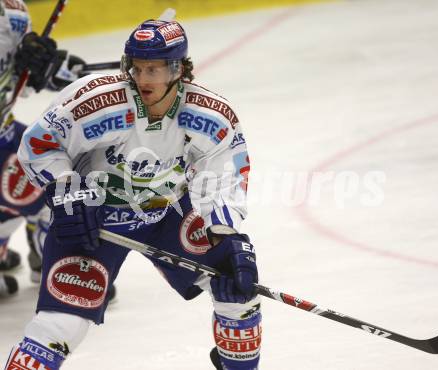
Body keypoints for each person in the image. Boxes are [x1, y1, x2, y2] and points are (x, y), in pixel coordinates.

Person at [7, 18, 261, 370]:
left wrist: (226, 235)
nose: (143, 79)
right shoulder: (96, 101)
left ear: (180, 71)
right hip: (91, 219)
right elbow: (38, 145)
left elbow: (222, 177)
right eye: (137, 68)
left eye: (154, 70)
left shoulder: (211, 115)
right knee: (61, 326)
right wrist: (66, 191)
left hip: (165, 211)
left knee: (237, 292)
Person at [0, 0, 100, 297]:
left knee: (52, 177)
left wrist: (46, 65)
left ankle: (52, 258)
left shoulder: (13, 13)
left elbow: (23, 80)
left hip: (4, 139)